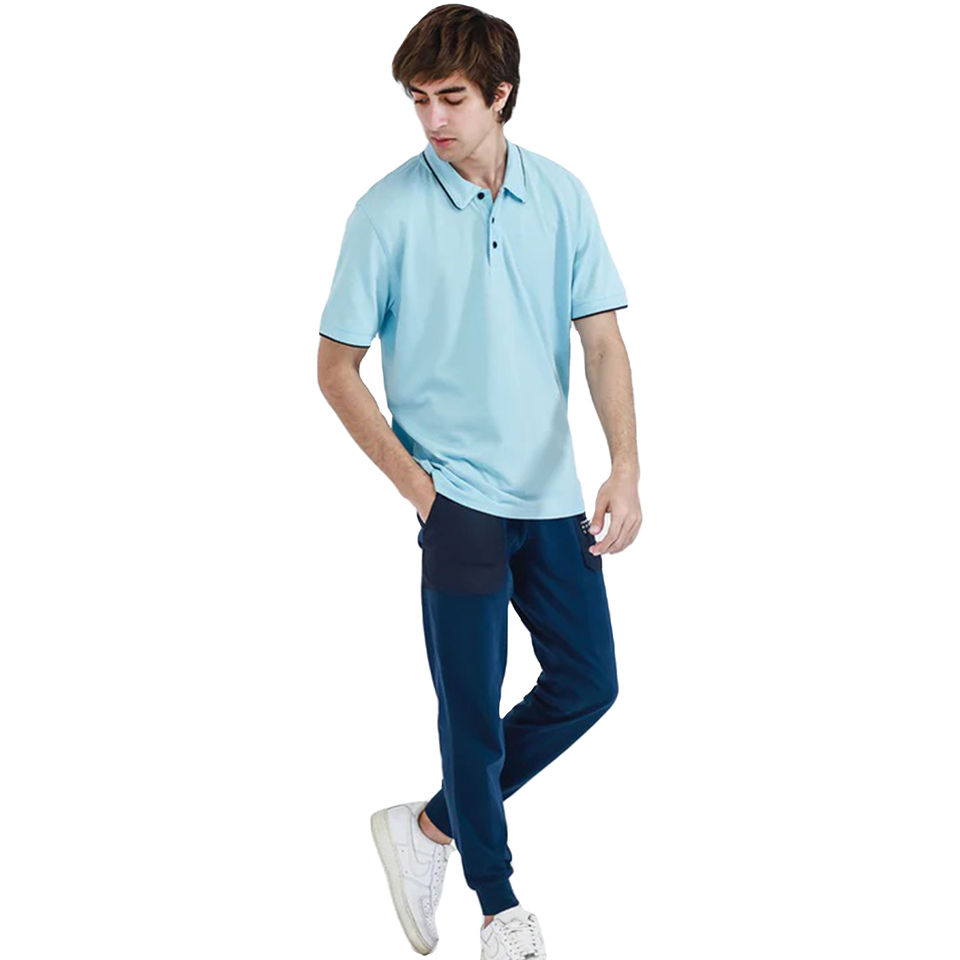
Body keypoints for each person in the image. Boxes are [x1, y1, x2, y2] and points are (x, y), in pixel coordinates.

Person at [316, 5, 642, 957]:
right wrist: (424, 493)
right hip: (457, 501)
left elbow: (602, 341)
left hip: (552, 495)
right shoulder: (384, 212)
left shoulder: (563, 196)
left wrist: (624, 466)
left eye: (451, 98)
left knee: (587, 683)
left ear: (502, 94)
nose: (432, 120)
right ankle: (500, 910)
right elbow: (335, 368)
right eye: (418, 100)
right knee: (471, 708)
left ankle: (428, 827)